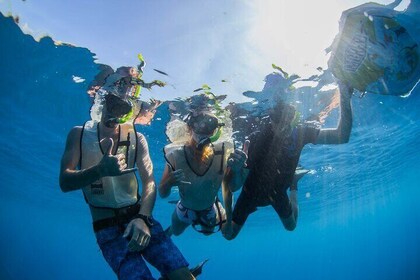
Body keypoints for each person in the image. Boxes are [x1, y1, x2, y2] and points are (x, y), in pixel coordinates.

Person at [59, 93, 195, 280]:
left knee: (183, 277)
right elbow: (64, 183)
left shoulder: (137, 139)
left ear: (131, 112)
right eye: (113, 104)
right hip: (107, 229)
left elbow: (149, 182)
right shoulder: (79, 134)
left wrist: (143, 218)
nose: (114, 116)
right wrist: (99, 171)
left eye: (123, 111)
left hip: (140, 217)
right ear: (103, 102)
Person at [223, 82, 353, 239]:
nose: (284, 125)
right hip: (250, 193)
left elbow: (342, 136)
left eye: (289, 116)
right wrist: (236, 170)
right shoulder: (257, 140)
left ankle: (294, 184)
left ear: (293, 116)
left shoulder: (301, 133)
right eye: (278, 118)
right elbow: (234, 187)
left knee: (291, 226)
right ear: (271, 119)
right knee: (229, 235)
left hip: (278, 191)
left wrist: (345, 97)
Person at [159, 111, 247, 236]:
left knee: (214, 234)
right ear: (189, 127)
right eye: (199, 124)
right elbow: (162, 193)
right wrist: (168, 183)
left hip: (209, 210)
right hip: (185, 209)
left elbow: (230, 188)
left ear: (216, 131)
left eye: (210, 125)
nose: (204, 130)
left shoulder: (223, 153)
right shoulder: (176, 154)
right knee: (176, 232)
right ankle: (170, 231)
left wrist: (238, 170)